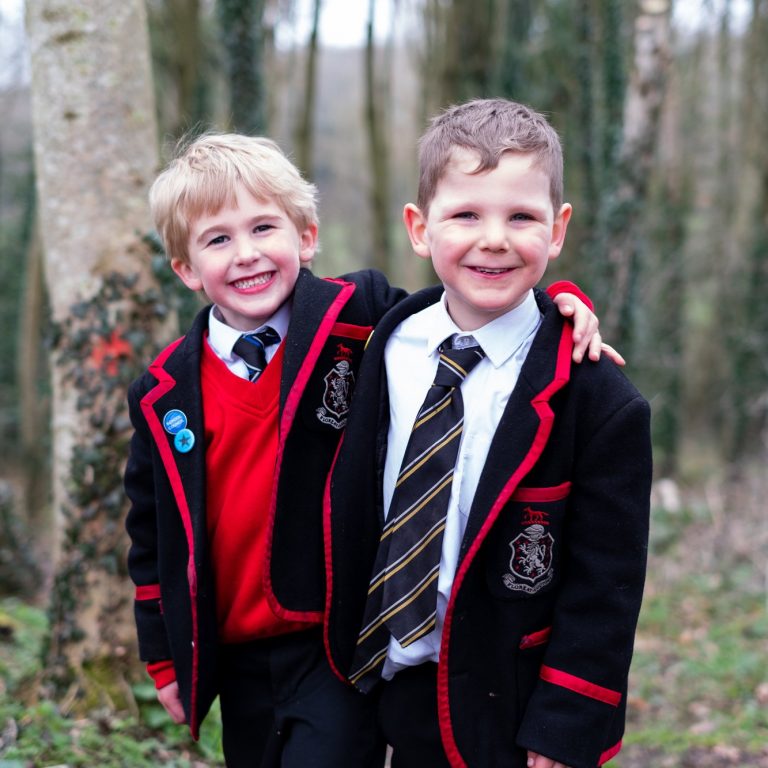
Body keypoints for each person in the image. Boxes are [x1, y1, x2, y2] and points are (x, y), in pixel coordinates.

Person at [123, 132, 610, 768]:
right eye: (218, 240)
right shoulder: (163, 391)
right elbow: (150, 533)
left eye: (265, 229)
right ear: (186, 268)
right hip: (232, 649)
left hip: (335, 639)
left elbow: (472, 298)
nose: (246, 255)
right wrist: (165, 659)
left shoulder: (357, 318)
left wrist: (564, 304)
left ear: (305, 236)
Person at [325, 98, 652, 768]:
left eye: (522, 217)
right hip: (378, 675)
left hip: (508, 696)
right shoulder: (380, 341)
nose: (494, 239)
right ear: (419, 228)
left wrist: (565, 726)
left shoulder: (598, 398)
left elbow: (607, 587)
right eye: (466, 214)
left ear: (558, 230)